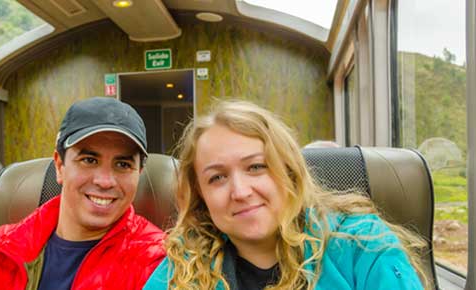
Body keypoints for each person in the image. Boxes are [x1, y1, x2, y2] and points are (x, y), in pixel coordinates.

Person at [144, 100, 428, 290]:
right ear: (201, 197)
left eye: (256, 167)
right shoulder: (182, 264)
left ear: (289, 171)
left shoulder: (362, 245)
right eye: (217, 178)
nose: (240, 192)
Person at [0, 97, 166, 290]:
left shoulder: (161, 263)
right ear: (59, 165)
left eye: (123, 165)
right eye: (89, 160)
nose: (105, 181)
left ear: (139, 173)